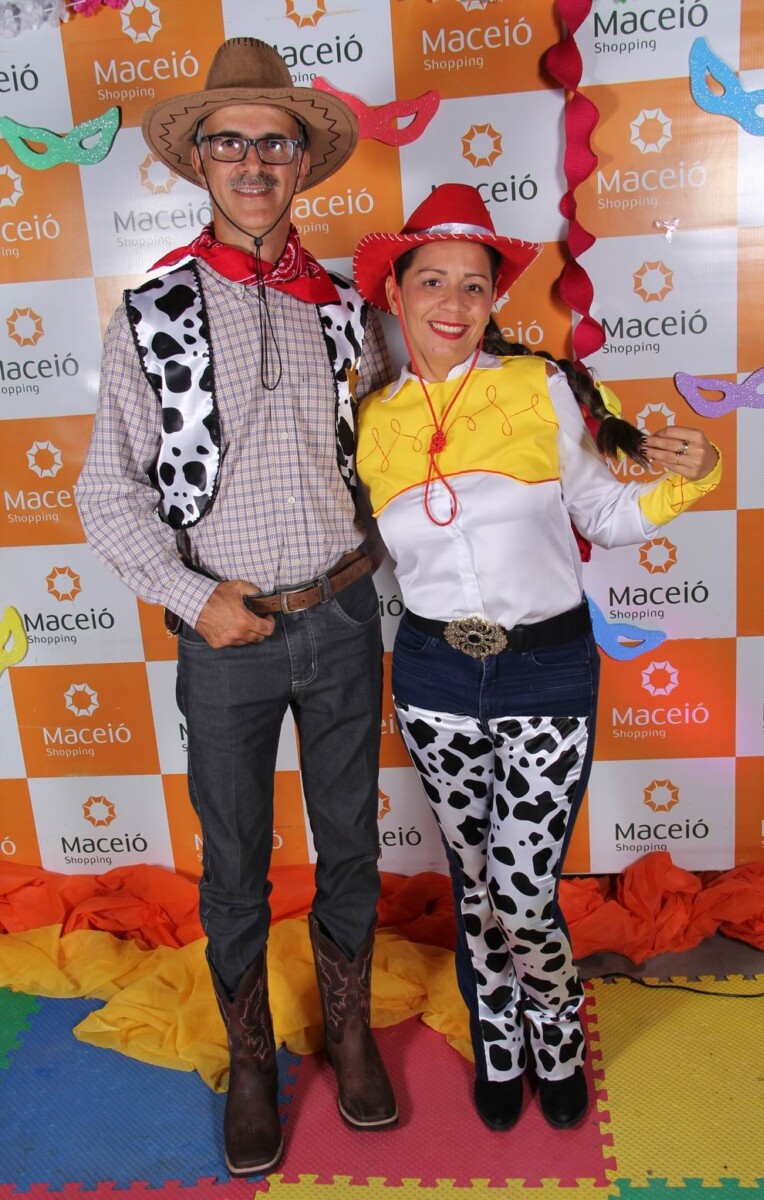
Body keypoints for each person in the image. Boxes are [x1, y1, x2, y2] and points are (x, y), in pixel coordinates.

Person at [75, 37, 397, 1177]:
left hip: (344, 618)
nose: (253, 162)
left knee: (351, 841)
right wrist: (190, 596)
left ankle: (348, 1033)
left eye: (274, 142)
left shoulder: (350, 310)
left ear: (302, 161)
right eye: (230, 142)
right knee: (233, 863)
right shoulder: (151, 311)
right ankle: (252, 1058)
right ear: (199, 161)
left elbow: (399, 452)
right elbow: (105, 491)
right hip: (228, 633)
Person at [351, 184, 721, 1134]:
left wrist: (693, 480)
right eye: (432, 280)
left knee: (522, 886)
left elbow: (607, 516)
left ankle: (554, 1029)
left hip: (545, 671)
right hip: (433, 673)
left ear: (493, 301)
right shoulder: (372, 420)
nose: (453, 302)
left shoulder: (539, 386)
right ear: (395, 293)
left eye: (474, 286)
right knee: (475, 879)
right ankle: (499, 1037)